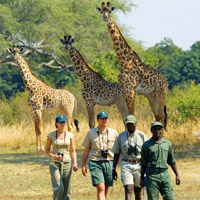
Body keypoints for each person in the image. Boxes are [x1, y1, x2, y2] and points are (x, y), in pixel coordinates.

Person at [81, 111, 118, 200]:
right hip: (95, 162)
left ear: (108, 120)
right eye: (102, 118)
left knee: (105, 189)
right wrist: (83, 165)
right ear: (98, 120)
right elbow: (86, 150)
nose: (104, 120)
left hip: (109, 162)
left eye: (105, 118)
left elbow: (118, 150)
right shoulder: (91, 133)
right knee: (100, 187)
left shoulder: (114, 133)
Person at [140, 122, 181, 200]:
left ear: (162, 130)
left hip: (165, 174)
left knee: (169, 197)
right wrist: (142, 178)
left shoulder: (167, 144)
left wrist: (177, 175)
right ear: (151, 130)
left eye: (159, 129)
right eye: (155, 129)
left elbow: (171, 160)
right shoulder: (146, 145)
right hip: (152, 175)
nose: (157, 131)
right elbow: (143, 163)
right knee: (152, 198)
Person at [112, 115, 148, 200]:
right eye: (128, 124)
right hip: (126, 164)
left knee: (138, 191)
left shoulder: (142, 135)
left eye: (132, 124)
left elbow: (148, 152)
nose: (130, 126)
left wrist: (147, 167)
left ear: (136, 123)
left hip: (139, 165)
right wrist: (113, 168)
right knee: (128, 189)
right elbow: (116, 153)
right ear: (125, 125)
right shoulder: (121, 136)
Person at [46, 115, 78, 200]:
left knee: (67, 189)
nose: (63, 124)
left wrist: (75, 162)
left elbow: (73, 150)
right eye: (60, 122)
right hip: (54, 163)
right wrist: (54, 156)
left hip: (67, 162)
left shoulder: (70, 135)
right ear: (56, 123)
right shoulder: (51, 135)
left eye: (64, 122)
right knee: (59, 187)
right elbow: (47, 150)